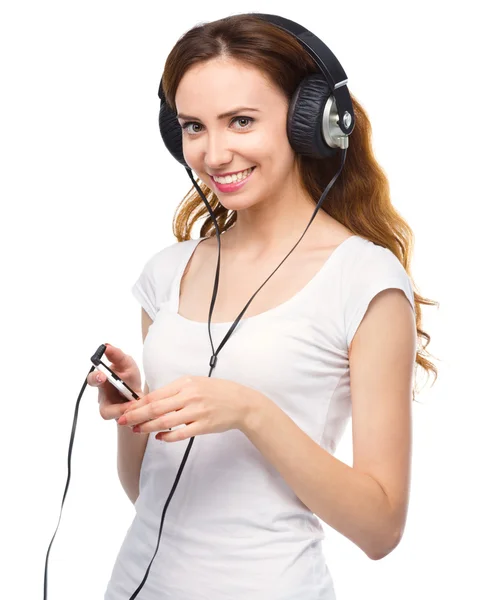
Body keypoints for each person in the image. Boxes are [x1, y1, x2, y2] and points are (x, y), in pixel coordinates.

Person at [89, 12, 438, 600]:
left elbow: (380, 529)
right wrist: (134, 412)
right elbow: (147, 489)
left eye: (242, 121)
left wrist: (253, 412)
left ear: (311, 123)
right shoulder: (167, 273)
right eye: (194, 127)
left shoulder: (364, 280)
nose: (215, 153)